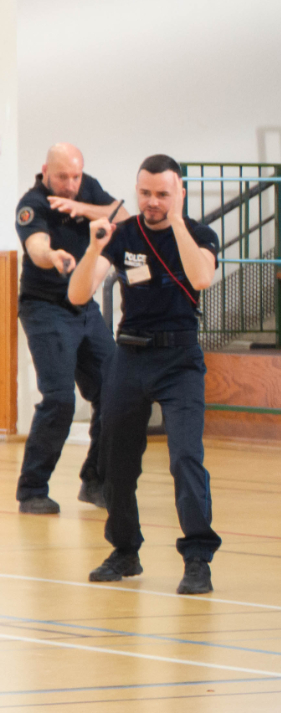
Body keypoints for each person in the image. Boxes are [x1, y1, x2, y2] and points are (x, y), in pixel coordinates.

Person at [68, 154, 221, 595]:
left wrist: (175, 223)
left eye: (162, 194)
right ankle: (124, 551)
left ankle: (197, 558)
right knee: (115, 460)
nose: (152, 202)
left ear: (180, 194)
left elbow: (201, 277)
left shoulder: (199, 234)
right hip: (129, 356)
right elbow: (79, 293)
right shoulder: (123, 236)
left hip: (180, 360)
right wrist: (95, 247)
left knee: (185, 458)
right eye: (145, 193)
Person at [13, 143, 128, 514]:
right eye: (63, 177)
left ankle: (95, 480)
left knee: (114, 392)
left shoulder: (86, 189)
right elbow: (35, 247)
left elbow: (123, 216)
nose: (70, 183)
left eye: (76, 176)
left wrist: (83, 207)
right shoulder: (34, 202)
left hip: (83, 308)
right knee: (60, 399)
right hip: (45, 309)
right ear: (46, 170)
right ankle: (32, 489)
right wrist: (54, 257)